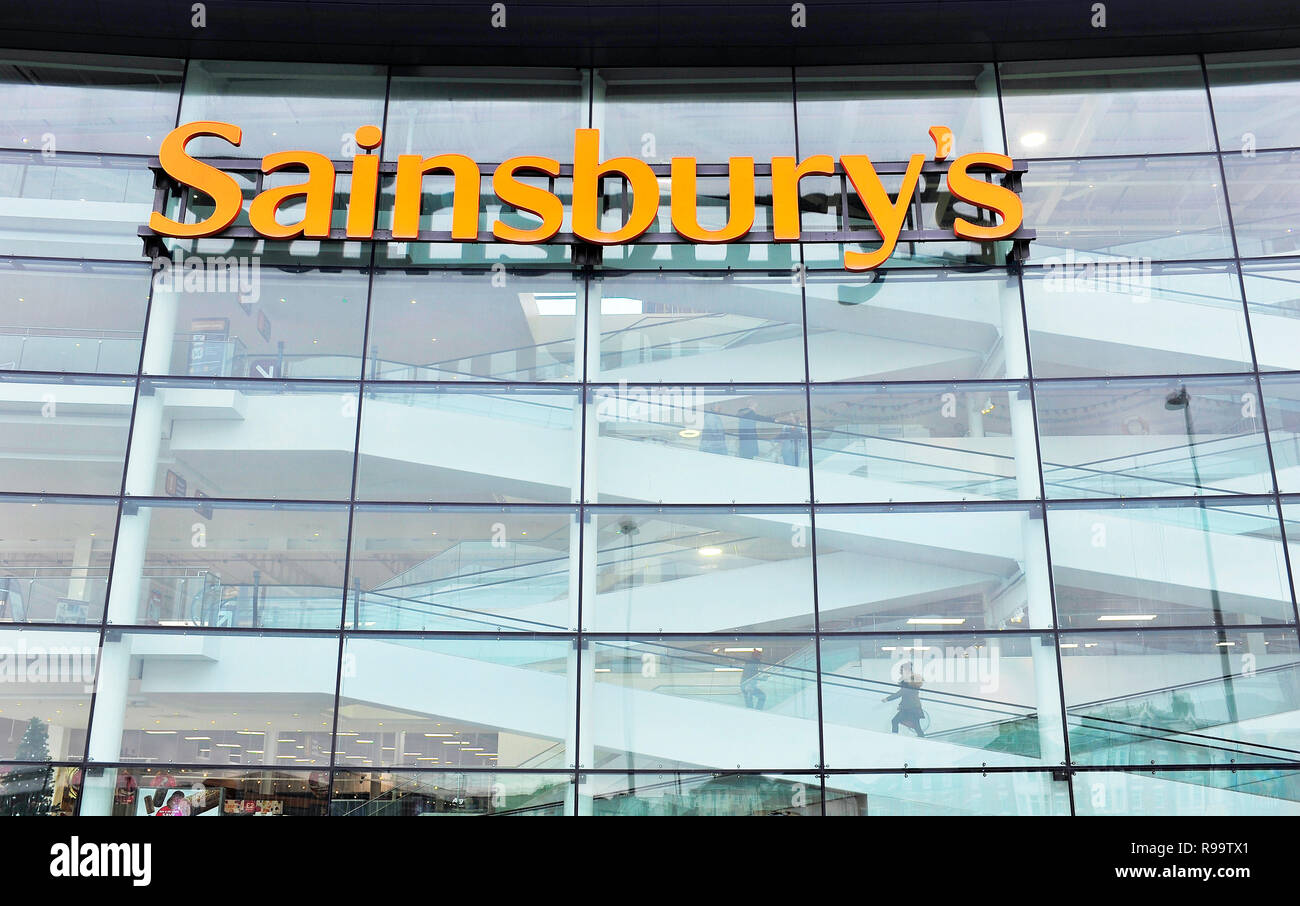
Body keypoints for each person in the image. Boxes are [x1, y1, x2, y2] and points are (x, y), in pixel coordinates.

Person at [883, 663, 926, 737]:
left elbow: (902, 692)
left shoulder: (909, 680)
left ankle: (895, 737)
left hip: (910, 708)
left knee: (895, 721)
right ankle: (923, 739)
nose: (900, 671)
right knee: (916, 726)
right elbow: (906, 695)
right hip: (913, 707)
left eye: (902, 669)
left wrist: (887, 699)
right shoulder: (912, 679)